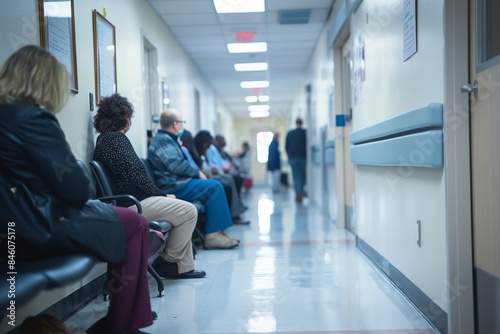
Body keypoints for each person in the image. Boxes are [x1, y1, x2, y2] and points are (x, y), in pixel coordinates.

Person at [0, 45, 152, 334]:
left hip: (9, 228)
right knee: (135, 223)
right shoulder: (34, 118)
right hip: (39, 224)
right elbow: (76, 190)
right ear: (47, 82)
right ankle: (123, 325)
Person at [93, 94, 206, 279]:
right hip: (130, 205)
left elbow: (134, 177)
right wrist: (162, 194)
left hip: (129, 202)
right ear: (124, 117)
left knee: (183, 209)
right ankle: (169, 262)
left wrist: (161, 196)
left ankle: (182, 267)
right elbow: (135, 177)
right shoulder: (115, 140)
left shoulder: (107, 140)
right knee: (189, 211)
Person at [147, 109, 239, 249]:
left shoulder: (168, 140)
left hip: (178, 183)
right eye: (181, 123)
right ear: (175, 124)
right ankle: (213, 236)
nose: (182, 126)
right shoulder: (163, 141)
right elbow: (176, 165)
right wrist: (197, 173)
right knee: (214, 186)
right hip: (172, 186)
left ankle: (218, 232)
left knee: (214, 185)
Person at [194, 130, 248, 224]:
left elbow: (212, 165)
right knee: (222, 182)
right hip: (207, 175)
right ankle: (229, 218)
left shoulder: (208, 150)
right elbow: (203, 168)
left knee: (232, 179)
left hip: (211, 173)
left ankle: (234, 213)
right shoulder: (198, 151)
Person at [285, 117, 307, 203]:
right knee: (303, 176)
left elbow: (286, 147)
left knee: (296, 176)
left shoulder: (290, 133)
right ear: (302, 123)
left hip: (293, 158)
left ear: (295, 123)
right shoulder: (305, 133)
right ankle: (300, 192)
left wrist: (289, 158)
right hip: (303, 158)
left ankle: (298, 193)